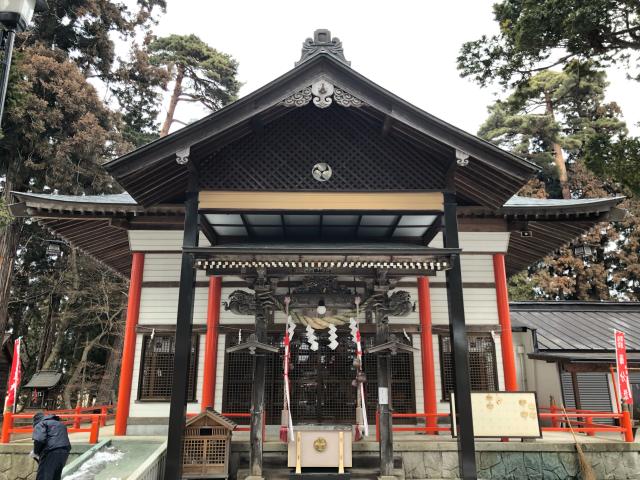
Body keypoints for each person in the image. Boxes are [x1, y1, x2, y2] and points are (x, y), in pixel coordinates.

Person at [31, 412, 72, 480]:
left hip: (51, 451)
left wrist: (35, 452)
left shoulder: (41, 424)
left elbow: (39, 439)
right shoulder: (60, 423)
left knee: (44, 475)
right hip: (65, 451)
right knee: (55, 475)